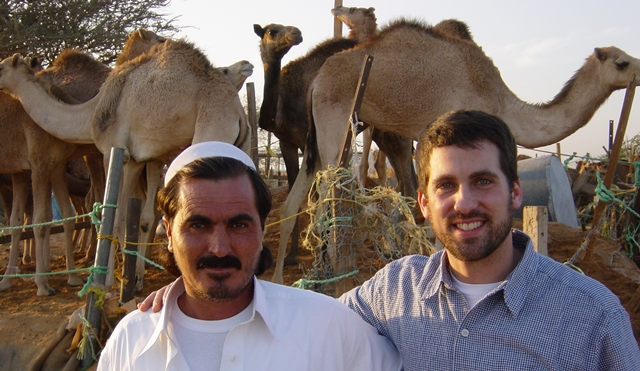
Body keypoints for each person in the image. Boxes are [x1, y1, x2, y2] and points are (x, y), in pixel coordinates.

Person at [140, 111, 640, 370]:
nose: (464, 203)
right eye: (446, 186)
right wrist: (190, 296)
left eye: (483, 182)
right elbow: (297, 321)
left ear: (514, 191)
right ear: (423, 203)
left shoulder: (589, 315)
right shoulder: (393, 293)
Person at [97, 141, 401, 371]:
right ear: (169, 233)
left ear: (263, 229)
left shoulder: (327, 326)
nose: (219, 248)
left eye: (238, 224)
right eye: (198, 225)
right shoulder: (131, 340)